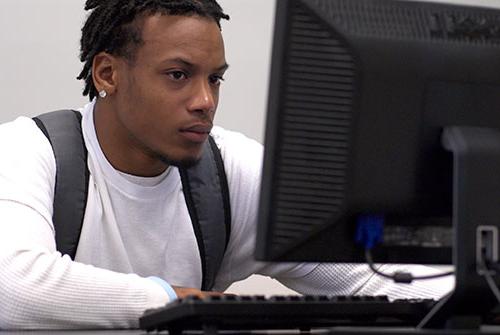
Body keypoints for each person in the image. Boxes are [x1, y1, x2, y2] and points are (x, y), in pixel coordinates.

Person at [0, 0, 453, 330]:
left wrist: (468, 293)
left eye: (215, 78)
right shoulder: (27, 150)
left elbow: (369, 280)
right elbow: (13, 288)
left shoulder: (229, 170)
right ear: (107, 74)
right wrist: (182, 304)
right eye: (179, 75)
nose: (205, 101)